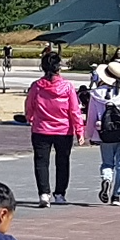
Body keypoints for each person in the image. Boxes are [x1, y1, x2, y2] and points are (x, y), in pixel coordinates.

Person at [24, 51, 80, 205]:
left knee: (41, 162)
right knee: (63, 162)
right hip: (64, 130)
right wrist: (79, 130)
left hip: (41, 128)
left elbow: (29, 105)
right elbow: (74, 110)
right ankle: (60, 194)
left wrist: (30, 117)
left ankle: (44, 193)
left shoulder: (36, 86)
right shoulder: (68, 86)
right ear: (59, 68)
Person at [85, 60, 120, 205]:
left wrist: (89, 135)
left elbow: (91, 117)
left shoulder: (96, 94)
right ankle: (116, 196)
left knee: (107, 163)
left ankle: (106, 178)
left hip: (105, 133)